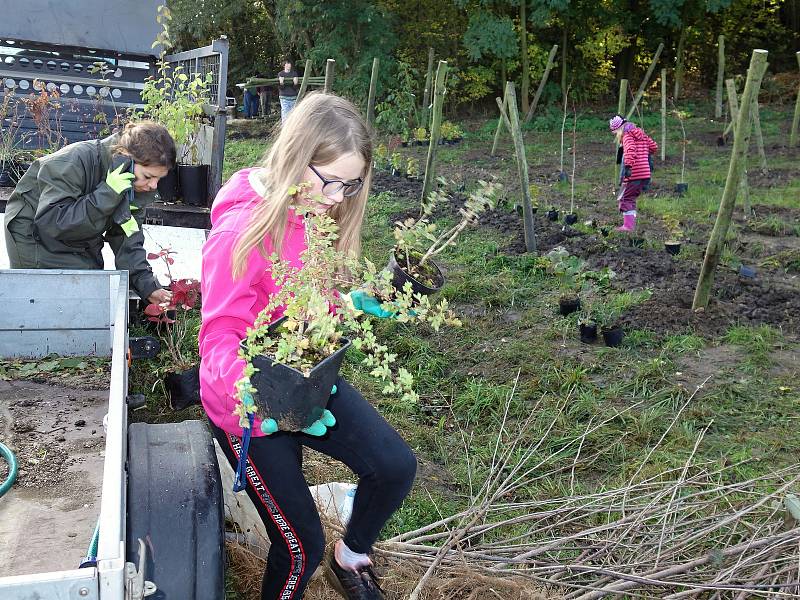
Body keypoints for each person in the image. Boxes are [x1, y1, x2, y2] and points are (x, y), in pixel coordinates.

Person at [198, 92, 416, 600]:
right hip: (248, 403)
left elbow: (302, 308)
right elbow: (220, 337)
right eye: (332, 181)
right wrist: (251, 394)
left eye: (352, 183)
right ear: (298, 159)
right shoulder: (240, 235)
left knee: (394, 466)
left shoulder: (313, 207)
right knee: (300, 547)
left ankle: (353, 555)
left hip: (305, 378)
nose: (340, 197)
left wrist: (352, 302)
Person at [3, 121, 175, 305]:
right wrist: (109, 193)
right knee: (48, 301)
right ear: (125, 158)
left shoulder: (131, 182)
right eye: (148, 177)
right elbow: (53, 223)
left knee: (89, 290)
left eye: (159, 179)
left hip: (81, 224)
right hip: (33, 230)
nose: (153, 186)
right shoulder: (74, 160)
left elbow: (128, 236)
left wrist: (147, 286)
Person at [609, 115, 658, 232]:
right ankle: (630, 223)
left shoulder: (627, 136)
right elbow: (654, 147)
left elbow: (630, 150)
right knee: (631, 198)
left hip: (634, 173)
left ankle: (628, 227)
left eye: (616, 132)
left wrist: (628, 166)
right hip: (645, 173)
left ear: (620, 129)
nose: (616, 135)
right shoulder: (642, 135)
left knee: (625, 198)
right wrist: (643, 151)